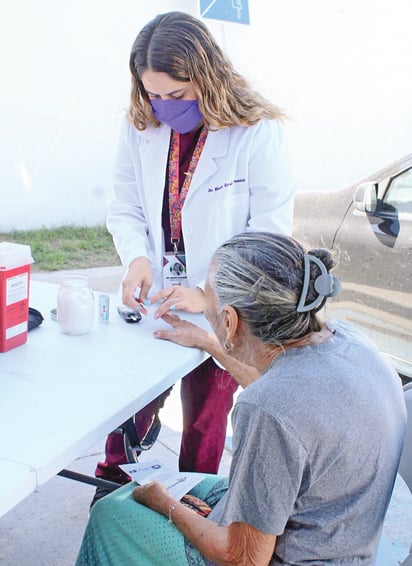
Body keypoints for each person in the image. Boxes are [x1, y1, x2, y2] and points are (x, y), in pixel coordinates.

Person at [77, 232, 406, 565]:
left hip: (285, 555)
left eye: (206, 300)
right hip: (347, 533)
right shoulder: (350, 340)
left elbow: (243, 559)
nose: (203, 306)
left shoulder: (268, 407)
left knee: (110, 513)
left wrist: (165, 504)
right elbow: (284, 393)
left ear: (230, 320)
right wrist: (209, 342)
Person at [95, 10, 296, 492]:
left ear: (206, 78)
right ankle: (111, 486)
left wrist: (209, 296)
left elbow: (268, 236)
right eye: (153, 94)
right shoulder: (141, 123)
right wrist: (137, 257)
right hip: (161, 297)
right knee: (134, 399)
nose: (164, 106)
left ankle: (192, 503)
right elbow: (124, 205)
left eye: (177, 95)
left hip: (225, 307)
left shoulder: (256, 131)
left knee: (205, 416)